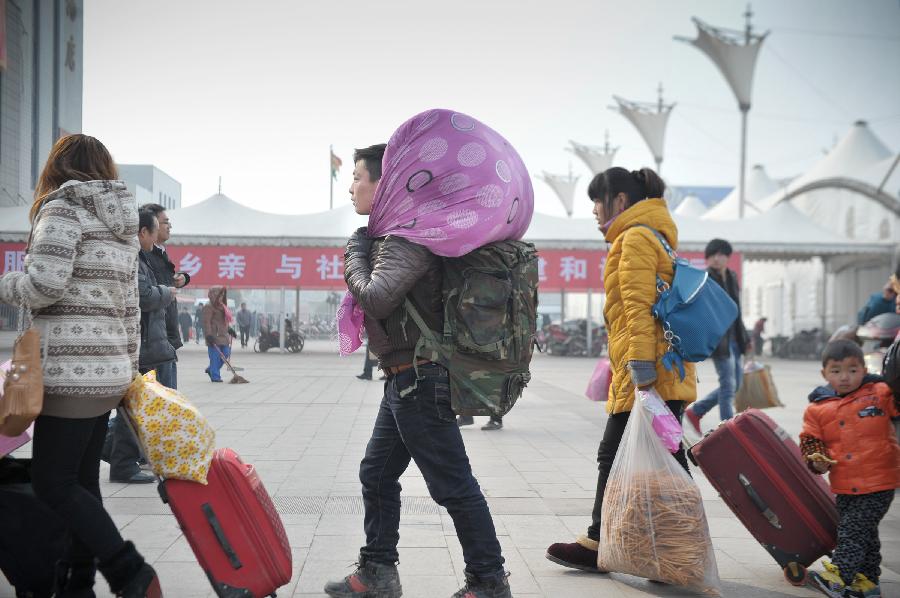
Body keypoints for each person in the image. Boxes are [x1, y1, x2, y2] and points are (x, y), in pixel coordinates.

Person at [324, 144, 511, 598]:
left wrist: (354, 249)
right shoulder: (397, 233)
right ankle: (378, 573)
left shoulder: (406, 236)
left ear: (383, 183)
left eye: (358, 177)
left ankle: (488, 581)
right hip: (405, 378)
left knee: (453, 484)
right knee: (377, 472)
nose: (351, 187)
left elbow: (377, 297)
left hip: (419, 381)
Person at [0, 134, 161, 596]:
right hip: (106, 372)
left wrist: (5, 284)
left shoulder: (62, 209)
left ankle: (130, 572)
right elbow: (131, 306)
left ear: (57, 167)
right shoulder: (121, 224)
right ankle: (76, 583)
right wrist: (127, 370)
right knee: (82, 482)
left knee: (52, 483)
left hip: (70, 374)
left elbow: (44, 285)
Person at [545, 167, 696, 572]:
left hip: (649, 375)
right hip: (661, 372)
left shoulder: (635, 239)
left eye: (598, 200)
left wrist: (642, 374)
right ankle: (673, 549)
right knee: (660, 462)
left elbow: (636, 309)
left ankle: (605, 543)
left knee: (619, 457)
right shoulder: (656, 236)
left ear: (621, 202)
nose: (594, 210)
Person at [801, 340, 899, 598]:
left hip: (880, 481)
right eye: (836, 371)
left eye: (853, 370)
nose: (844, 377)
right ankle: (867, 582)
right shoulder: (817, 408)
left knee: (853, 531)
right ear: (824, 373)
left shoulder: (879, 392)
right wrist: (816, 459)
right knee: (865, 533)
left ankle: (839, 576)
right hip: (845, 484)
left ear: (864, 368)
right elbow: (811, 440)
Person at [684, 239, 749, 434]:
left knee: (735, 385)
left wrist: (745, 339)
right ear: (707, 258)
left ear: (728, 258)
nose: (717, 258)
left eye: (721, 255)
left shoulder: (732, 276)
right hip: (719, 341)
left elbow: (737, 310)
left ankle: (697, 410)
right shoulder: (705, 280)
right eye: (713, 255)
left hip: (735, 339)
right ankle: (729, 431)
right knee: (728, 386)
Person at [139, 203, 190, 389]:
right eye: (164, 222)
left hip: (163, 339)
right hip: (153, 343)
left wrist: (182, 279)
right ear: (146, 229)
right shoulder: (143, 256)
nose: (169, 227)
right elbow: (146, 296)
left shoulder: (159, 253)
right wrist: (168, 291)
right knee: (153, 407)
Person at [202, 287, 232, 382]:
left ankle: (211, 369)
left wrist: (230, 329)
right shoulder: (209, 306)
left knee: (226, 353)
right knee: (214, 357)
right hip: (214, 336)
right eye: (220, 295)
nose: (221, 297)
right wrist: (208, 335)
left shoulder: (223, 306)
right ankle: (215, 376)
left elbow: (224, 321)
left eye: (223, 295)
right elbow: (206, 322)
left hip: (224, 335)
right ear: (214, 295)